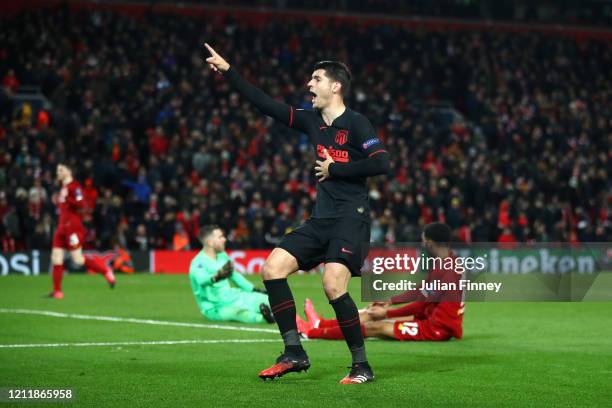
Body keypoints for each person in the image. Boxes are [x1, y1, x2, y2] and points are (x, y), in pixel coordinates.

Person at [205, 43, 390, 384]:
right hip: (321, 219)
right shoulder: (310, 121)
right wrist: (229, 71)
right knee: (272, 268)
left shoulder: (358, 123)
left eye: (316, 79)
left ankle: (361, 365)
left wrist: (338, 170)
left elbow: (382, 163)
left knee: (333, 284)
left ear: (335, 86)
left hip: (352, 217)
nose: (309, 84)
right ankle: (294, 351)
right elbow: (265, 104)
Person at [297, 223, 465, 342]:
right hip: (431, 318)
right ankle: (320, 324)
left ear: (429, 242)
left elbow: (421, 302)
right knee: (372, 313)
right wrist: (390, 301)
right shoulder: (447, 262)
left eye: (422, 240)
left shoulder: (447, 270)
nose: (422, 244)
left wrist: (387, 313)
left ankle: (313, 332)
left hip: (436, 329)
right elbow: (421, 292)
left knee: (375, 326)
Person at [49, 163, 115, 299]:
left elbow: (82, 205)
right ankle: (57, 291)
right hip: (61, 227)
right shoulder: (63, 188)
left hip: (73, 229)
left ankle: (105, 270)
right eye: (57, 170)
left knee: (78, 259)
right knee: (56, 257)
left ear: (69, 171)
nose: (58, 172)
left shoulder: (75, 187)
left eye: (61, 170)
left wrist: (68, 198)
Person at [189, 225, 274, 324]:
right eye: (220, 237)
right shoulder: (198, 262)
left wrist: (254, 289)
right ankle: (264, 318)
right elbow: (201, 280)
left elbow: (234, 276)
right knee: (238, 313)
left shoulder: (222, 256)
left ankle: (266, 312)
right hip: (215, 307)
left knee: (272, 300)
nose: (224, 239)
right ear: (210, 242)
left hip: (232, 297)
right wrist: (216, 277)